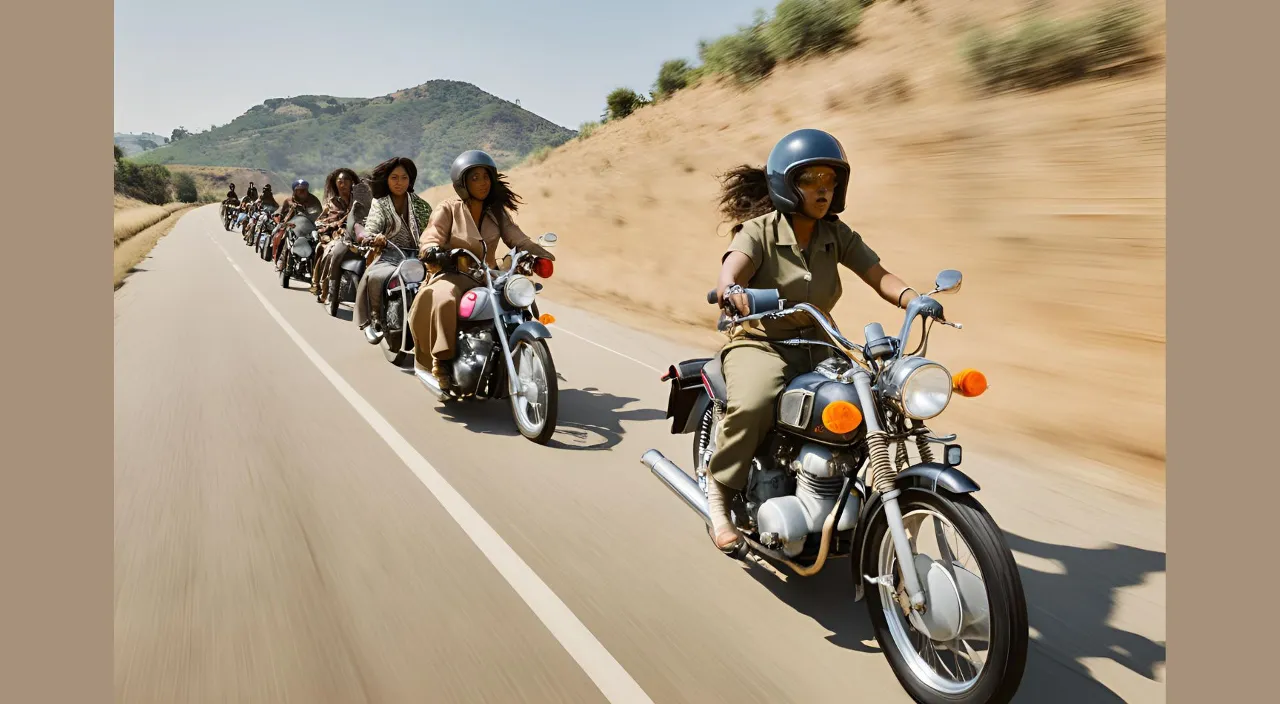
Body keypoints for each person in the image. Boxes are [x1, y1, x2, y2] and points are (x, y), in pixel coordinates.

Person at [703, 129, 923, 553]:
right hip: (761, 344)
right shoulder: (759, 231)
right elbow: (732, 270)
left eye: (830, 180)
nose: (823, 191)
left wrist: (915, 300)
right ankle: (720, 496)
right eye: (810, 180)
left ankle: (855, 492)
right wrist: (733, 292)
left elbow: (878, 275)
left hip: (821, 345)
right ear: (787, 186)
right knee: (753, 402)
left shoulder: (835, 234)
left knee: (875, 398)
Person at [408, 150, 554, 389]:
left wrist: (539, 255)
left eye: (486, 176)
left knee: (519, 297)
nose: (483, 183)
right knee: (444, 299)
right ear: (462, 183)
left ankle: (520, 347)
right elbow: (431, 235)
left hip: (490, 275)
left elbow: (518, 238)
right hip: (454, 274)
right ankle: (441, 360)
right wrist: (432, 249)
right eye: (475, 177)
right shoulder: (448, 209)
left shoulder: (496, 211)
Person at [353, 157, 433, 334]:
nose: (399, 182)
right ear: (386, 179)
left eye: (404, 178)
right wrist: (374, 237)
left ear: (410, 180)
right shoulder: (379, 203)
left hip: (421, 258)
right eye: (394, 177)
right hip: (390, 256)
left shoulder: (422, 205)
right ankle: (375, 316)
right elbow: (371, 227)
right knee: (375, 276)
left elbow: (433, 230)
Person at [308, 167, 359, 300]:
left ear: (352, 182)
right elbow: (320, 221)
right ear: (335, 183)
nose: (343, 184)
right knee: (324, 251)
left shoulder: (359, 201)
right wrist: (332, 225)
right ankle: (321, 285)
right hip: (335, 235)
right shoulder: (331, 204)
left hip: (357, 235)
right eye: (340, 181)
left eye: (347, 180)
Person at [272, 179, 324, 271]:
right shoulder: (289, 201)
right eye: (299, 190)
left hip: (309, 226)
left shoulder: (313, 200)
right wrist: (279, 216)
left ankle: (317, 265)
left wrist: (317, 220)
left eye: (304, 190)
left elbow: (319, 214)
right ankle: (282, 259)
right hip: (292, 225)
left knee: (317, 240)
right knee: (283, 236)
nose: (302, 192)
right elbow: (282, 211)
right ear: (294, 191)